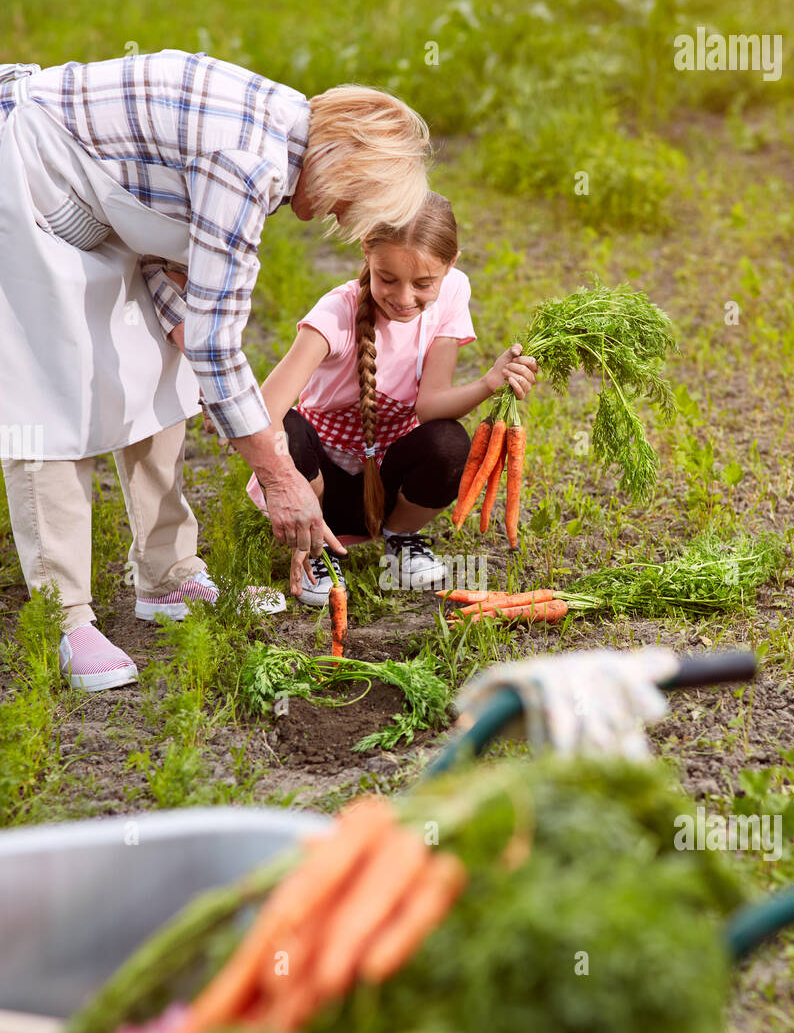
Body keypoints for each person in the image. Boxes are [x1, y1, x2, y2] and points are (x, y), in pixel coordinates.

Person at [0, 49, 430, 690]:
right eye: (354, 202)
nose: (346, 220)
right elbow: (215, 338)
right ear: (343, 161)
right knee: (50, 398)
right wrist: (276, 471)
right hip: (23, 174)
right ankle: (65, 619)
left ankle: (165, 576)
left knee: (160, 368)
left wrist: (182, 334)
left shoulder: (284, 130)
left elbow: (163, 247)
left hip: (93, 202)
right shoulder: (248, 166)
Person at [244, 192, 537, 601]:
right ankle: (317, 548)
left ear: (450, 265)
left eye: (422, 284)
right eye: (387, 279)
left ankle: (400, 538)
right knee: (288, 429)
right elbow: (262, 411)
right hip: (318, 486)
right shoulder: (335, 314)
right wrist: (290, 492)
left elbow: (430, 405)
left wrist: (490, 382)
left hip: (383, 486)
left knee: (449, 441)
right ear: (366, 252)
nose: (403, 298)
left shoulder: (453, 292)